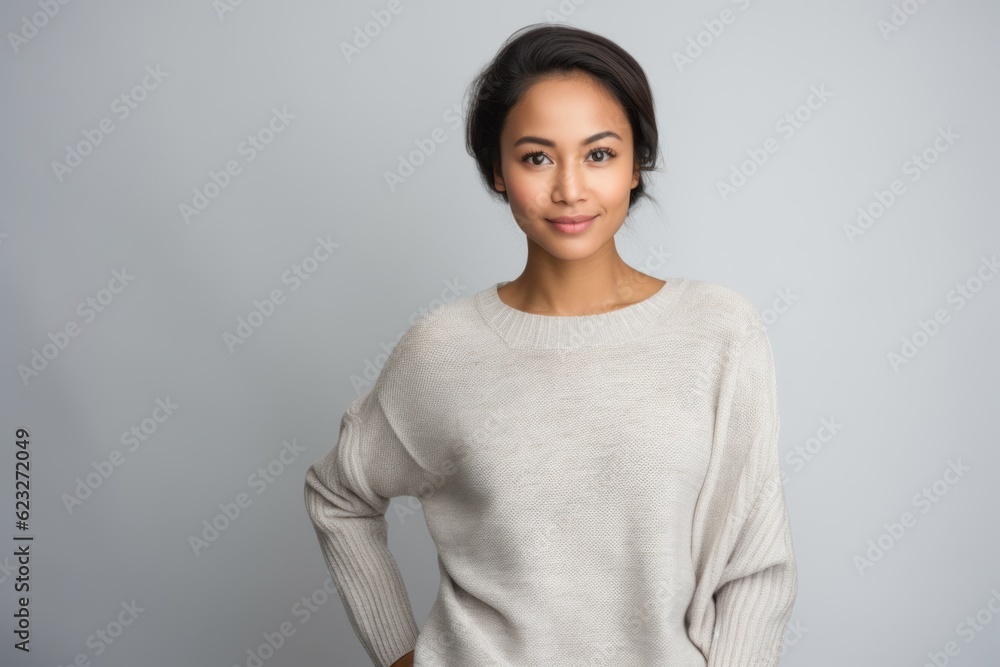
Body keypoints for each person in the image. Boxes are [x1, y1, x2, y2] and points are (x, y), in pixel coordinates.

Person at [304, 23, 797, 667]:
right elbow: (339, 494)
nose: (570, 188)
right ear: (497, 171)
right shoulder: (445, 351)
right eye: (537, 157)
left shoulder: (718, 331)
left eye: (599, 154)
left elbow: (755, 566)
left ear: (636, 165)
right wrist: (402, 657)